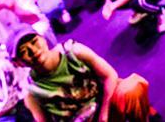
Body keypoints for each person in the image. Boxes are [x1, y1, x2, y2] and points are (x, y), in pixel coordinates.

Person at [8, 26, 154, 122]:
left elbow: (110, 75)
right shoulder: (32, 94)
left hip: (105, 106)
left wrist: (104, 114)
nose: (33, 51)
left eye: (34, 42)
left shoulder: (72, 51)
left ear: (43, 39)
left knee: (131, 87)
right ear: (18, 62)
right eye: (23, 51)